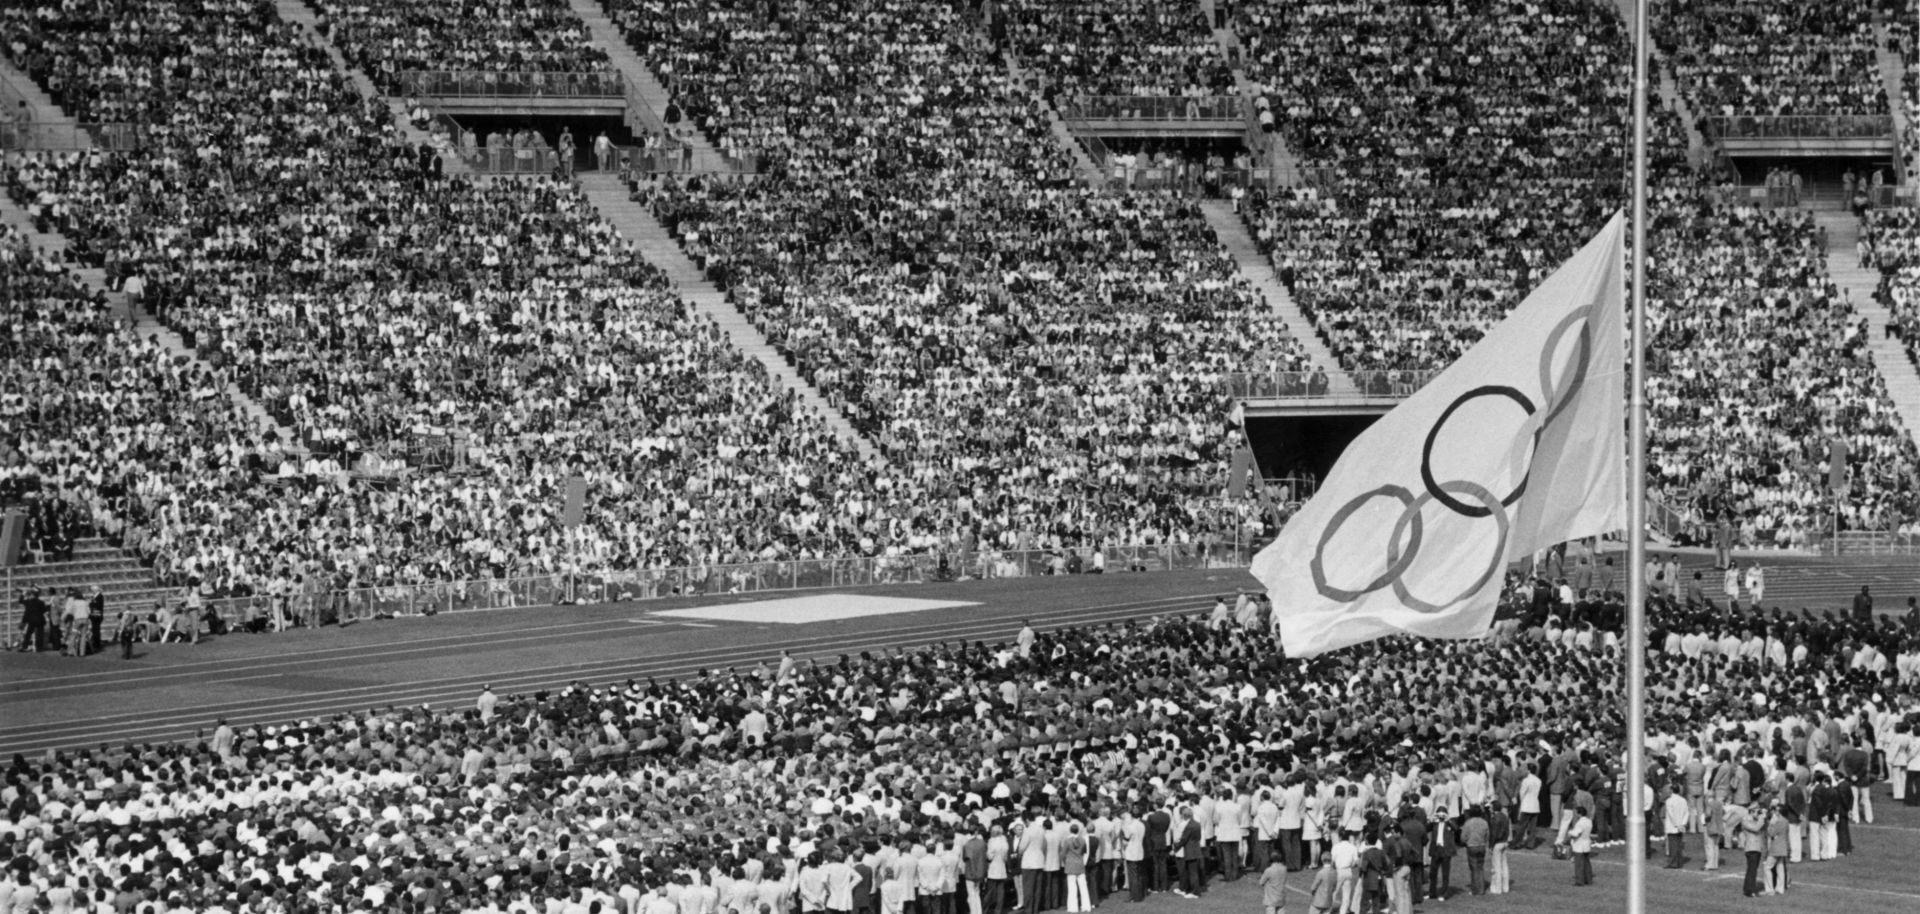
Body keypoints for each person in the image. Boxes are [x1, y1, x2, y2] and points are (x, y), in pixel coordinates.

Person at [1567, 805, 1593, 887]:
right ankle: (1588, 880)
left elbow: (1576, 834)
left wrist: (1569, 833)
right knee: (1587, 863)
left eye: (1576, 813)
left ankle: (1579, 881)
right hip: (1587, 844)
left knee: (1579, 864)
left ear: (1579, 814)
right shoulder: (1589, 821)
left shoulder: (1580, 823)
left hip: (1579, 845)